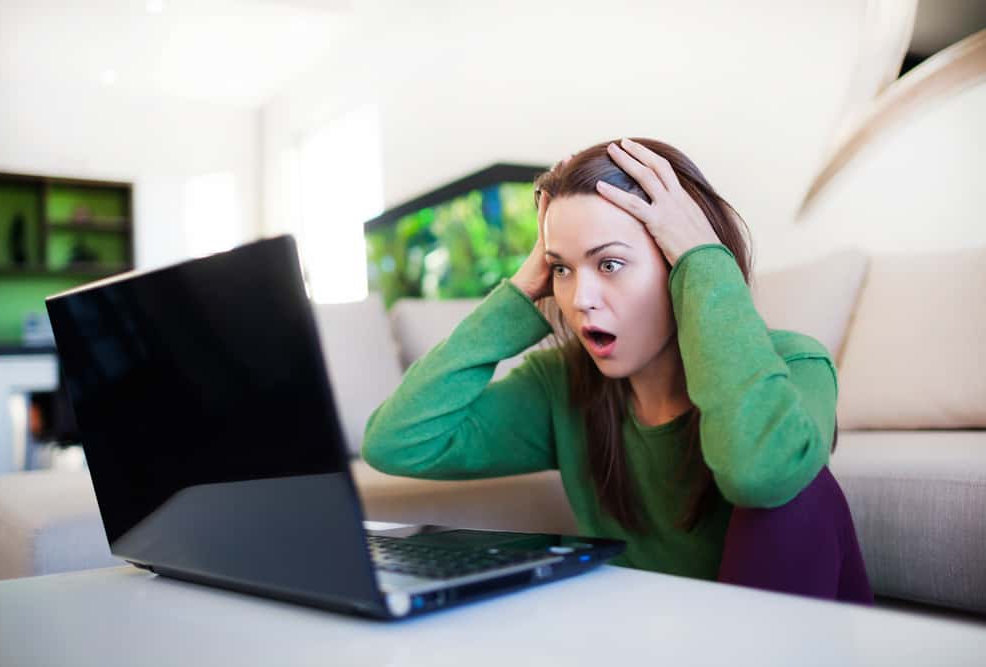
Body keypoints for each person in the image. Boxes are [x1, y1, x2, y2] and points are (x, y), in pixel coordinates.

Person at [362, 137, 874, 604]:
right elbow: (397, 442)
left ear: (679, 266)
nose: (579, 299)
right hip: (649, 641)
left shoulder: (796, 363)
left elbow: (759, 474)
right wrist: (520, 290)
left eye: (609, 264)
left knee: (795, 477)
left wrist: (705, 260)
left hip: (783, 647)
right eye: (561, 269)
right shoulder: (561, 385)